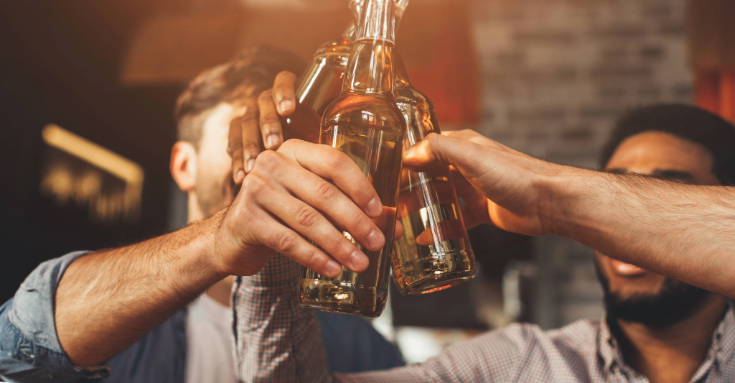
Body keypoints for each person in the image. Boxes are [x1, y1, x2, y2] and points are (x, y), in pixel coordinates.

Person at [232, 104, 735, 382]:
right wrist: (278, 239)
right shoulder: (522, 364)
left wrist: (554, 202)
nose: (625, 237)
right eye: (618, 194)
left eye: (660, 197)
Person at [0, 46, 402, 383]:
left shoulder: (358, 344)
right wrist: (220, 239)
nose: (272, 163)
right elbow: (12, 349)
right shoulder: (121, 320)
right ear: (184, 166)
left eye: (283, 142)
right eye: (244, 138)